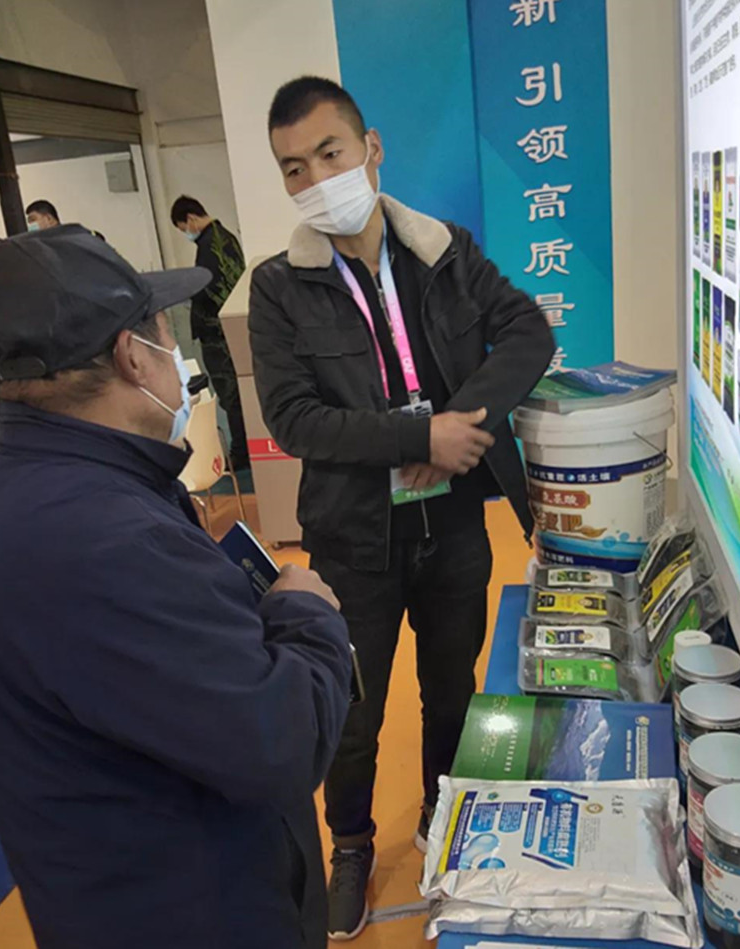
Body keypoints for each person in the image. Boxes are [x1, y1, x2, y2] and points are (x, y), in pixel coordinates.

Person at [249, 76, 553, 939]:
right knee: (352, 709)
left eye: (329, 154)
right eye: (293, 168)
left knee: (452, 688)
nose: (316, 180)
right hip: (354, 536)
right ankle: (350, 844)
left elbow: (529, 330)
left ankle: (440, 816)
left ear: (370, 148)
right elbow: (294, 416)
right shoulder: (280, 287)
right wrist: (421, 435)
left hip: (454, 522)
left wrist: (469, 422)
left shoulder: (443, 252)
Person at [0, 224, 352, 949]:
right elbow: (278, 742)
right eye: (163, 329)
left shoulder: (43, 488)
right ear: (134, 354)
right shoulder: (106, 537)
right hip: (195, 908)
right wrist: (306, 611)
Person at [170, 195, 249, 469]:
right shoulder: (226, 238)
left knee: (231, 395)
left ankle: (241, 452)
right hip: (230, 333)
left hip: (218, 336)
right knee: (240, 394)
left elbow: (207, 290)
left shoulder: (210, 245)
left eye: (183, 229)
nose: (186, 234)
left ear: (191, 219)